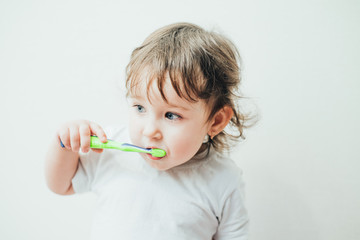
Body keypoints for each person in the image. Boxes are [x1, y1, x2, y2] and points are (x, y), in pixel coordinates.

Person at [45, 22, 255, 239]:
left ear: (216, 121)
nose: (149, 131)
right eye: (140, 108)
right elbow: (61, 185)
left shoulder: (223, 180)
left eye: (171, 115)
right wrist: (65, 144)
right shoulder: (109, 148)